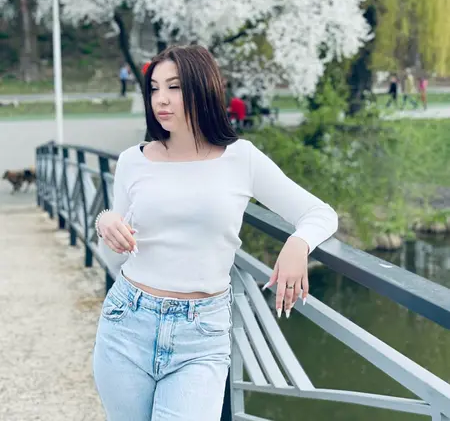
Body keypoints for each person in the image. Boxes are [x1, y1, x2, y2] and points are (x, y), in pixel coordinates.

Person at [93, 45, 338, 421]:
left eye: (174, 87)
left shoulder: (241, 158)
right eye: (154, 88)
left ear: (202, 87)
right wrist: (105, 221)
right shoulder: (133, 160)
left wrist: (297, 243)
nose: (161, 99)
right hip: (128, 320)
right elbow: (115, 252)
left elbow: (319, 213)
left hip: (201, 334)